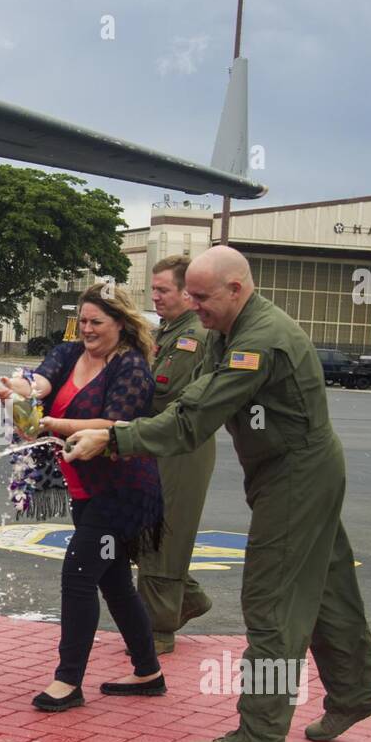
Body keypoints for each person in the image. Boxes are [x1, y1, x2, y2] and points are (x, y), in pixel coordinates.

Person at [66, 246, 371, 742]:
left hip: (296, 477)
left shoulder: (258, 342)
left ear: (236, 289)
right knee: (327, 588)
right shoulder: (225, 330)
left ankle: (259, 738)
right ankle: (355, 694)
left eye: (201, 296)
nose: (193, 305)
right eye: (187, 294)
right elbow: (184, 399)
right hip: (290, 472)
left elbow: (194, 418)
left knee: (271, 604)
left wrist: (115, 439)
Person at [0, 283, 165, 711]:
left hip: (124, 488)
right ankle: (148, 671)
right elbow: (39, 383)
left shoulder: (132, 368)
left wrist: (49, 423)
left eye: (96, 322)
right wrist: (15, 387)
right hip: (85, 486)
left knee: (79, 575)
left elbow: (113, 424)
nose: (87, 329)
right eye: (82, 321)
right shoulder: (69, 354)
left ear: (120, 324)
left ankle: (68, 682)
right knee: (116, 582)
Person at [137, 255, 216, 654]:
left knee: (163, 534)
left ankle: (157, 630)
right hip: (160, 441)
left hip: (180, 446)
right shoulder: (170, 332)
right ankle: (187, 599)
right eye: (153, 289)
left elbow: (162, 392)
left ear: (187, 293)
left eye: (163, 290)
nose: (156, 297)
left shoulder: (193, 337)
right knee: (145, 529)